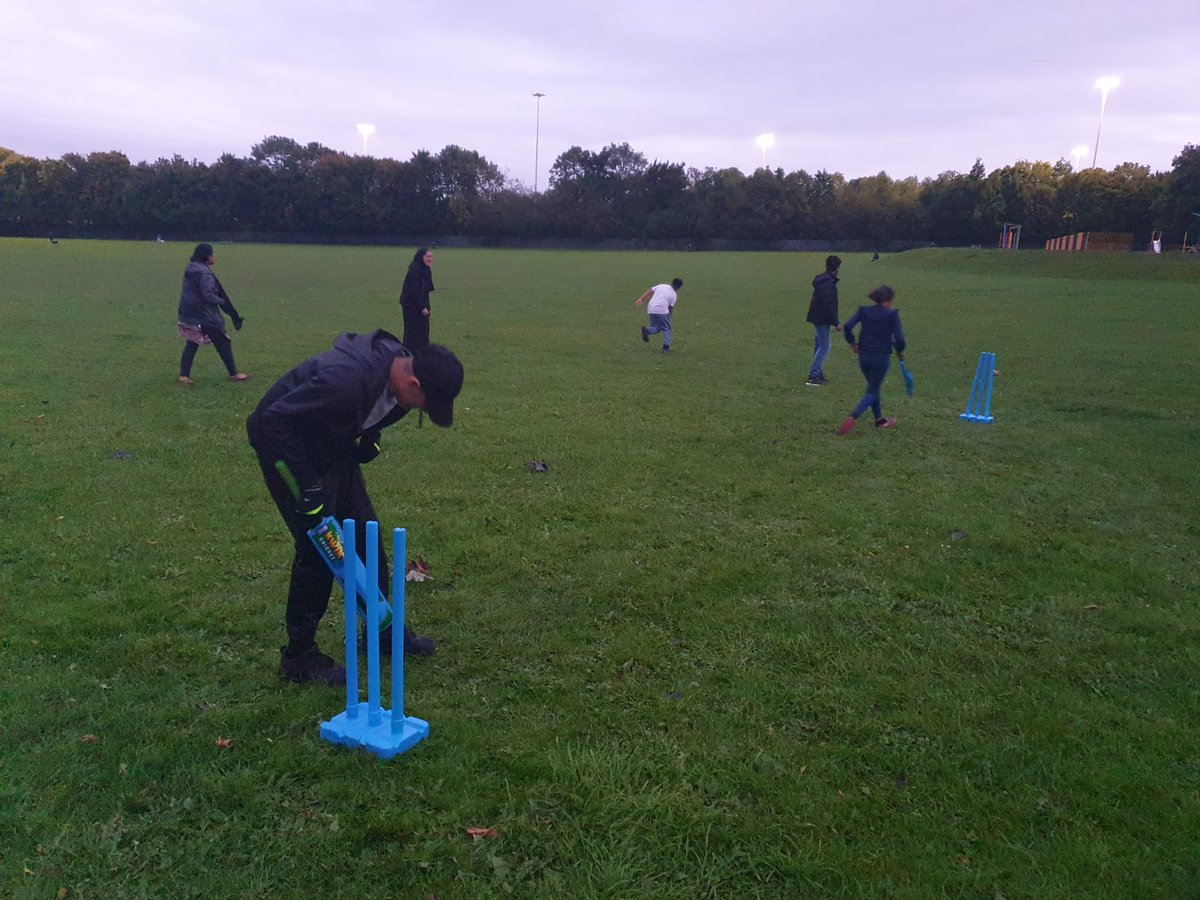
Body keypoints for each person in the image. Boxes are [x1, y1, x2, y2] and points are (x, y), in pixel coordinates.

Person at [246, 330, 465, 685]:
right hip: (287, 452)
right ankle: (299, 657)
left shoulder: (396, 377)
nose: (420, 411)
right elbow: (273, 421)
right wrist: (308, 487)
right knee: (319, 548)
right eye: (425, 404)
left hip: (332, 449)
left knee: (365, 534)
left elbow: (371, 409)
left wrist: (367, 438)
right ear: (412, 383)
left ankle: (381, 631)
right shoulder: (345, 380)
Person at [837, 285, 906, 435]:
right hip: (880, 358)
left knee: (873, 387)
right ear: (887, 300)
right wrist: (899, 351)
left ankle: (879, 420)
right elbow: (900, 339)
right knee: (872, 390)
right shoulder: (892, 315)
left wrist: (852, 343)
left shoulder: (863, 311)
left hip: (864, 357)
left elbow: (848, 325)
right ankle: (853, 416)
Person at [177, 243, 248, 384]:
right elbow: (207, 295)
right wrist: (221, 301)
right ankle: (234, 374)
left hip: (189, 313)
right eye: (213, 254)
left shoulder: (191, 268)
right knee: (223, 342)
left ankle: (183, 376)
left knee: (191, 343)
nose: (215, 256)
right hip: (205, 315)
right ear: (207, 256)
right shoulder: (205, 273)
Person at [805, 255, 841, 387]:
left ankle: (817, 372)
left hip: (817, 316)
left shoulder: (823, 280)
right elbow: (828, 304)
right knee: (825, 346)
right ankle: (813, 375)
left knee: (819, 345)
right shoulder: (828, 283)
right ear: (836, 268)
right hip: (821, 318)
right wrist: (836, 322)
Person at [399, 247, 435, 350]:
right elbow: (414, 291)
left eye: (431, 257)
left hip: (421, 303)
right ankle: (408, 352)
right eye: (427, 256)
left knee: (423, 330)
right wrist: (422, 307)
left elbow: (426, 291)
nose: (430, 259)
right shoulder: (415, 270)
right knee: (412, 330)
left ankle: (423, 351)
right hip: (410, 305)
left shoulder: (426, 270)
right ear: (421, 257)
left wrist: (427, 306)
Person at [636, 277, 683, 352]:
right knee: (667, 328)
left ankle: (646, 331)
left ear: (672, 283)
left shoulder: (661, 286)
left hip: (651, 308)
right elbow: (670, 309)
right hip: (661, 310)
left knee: (657, 328)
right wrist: (669, 318)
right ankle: (666, 347)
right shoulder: (674, 295)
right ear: (678, 287)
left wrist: (641, 299)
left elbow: (649, 291)